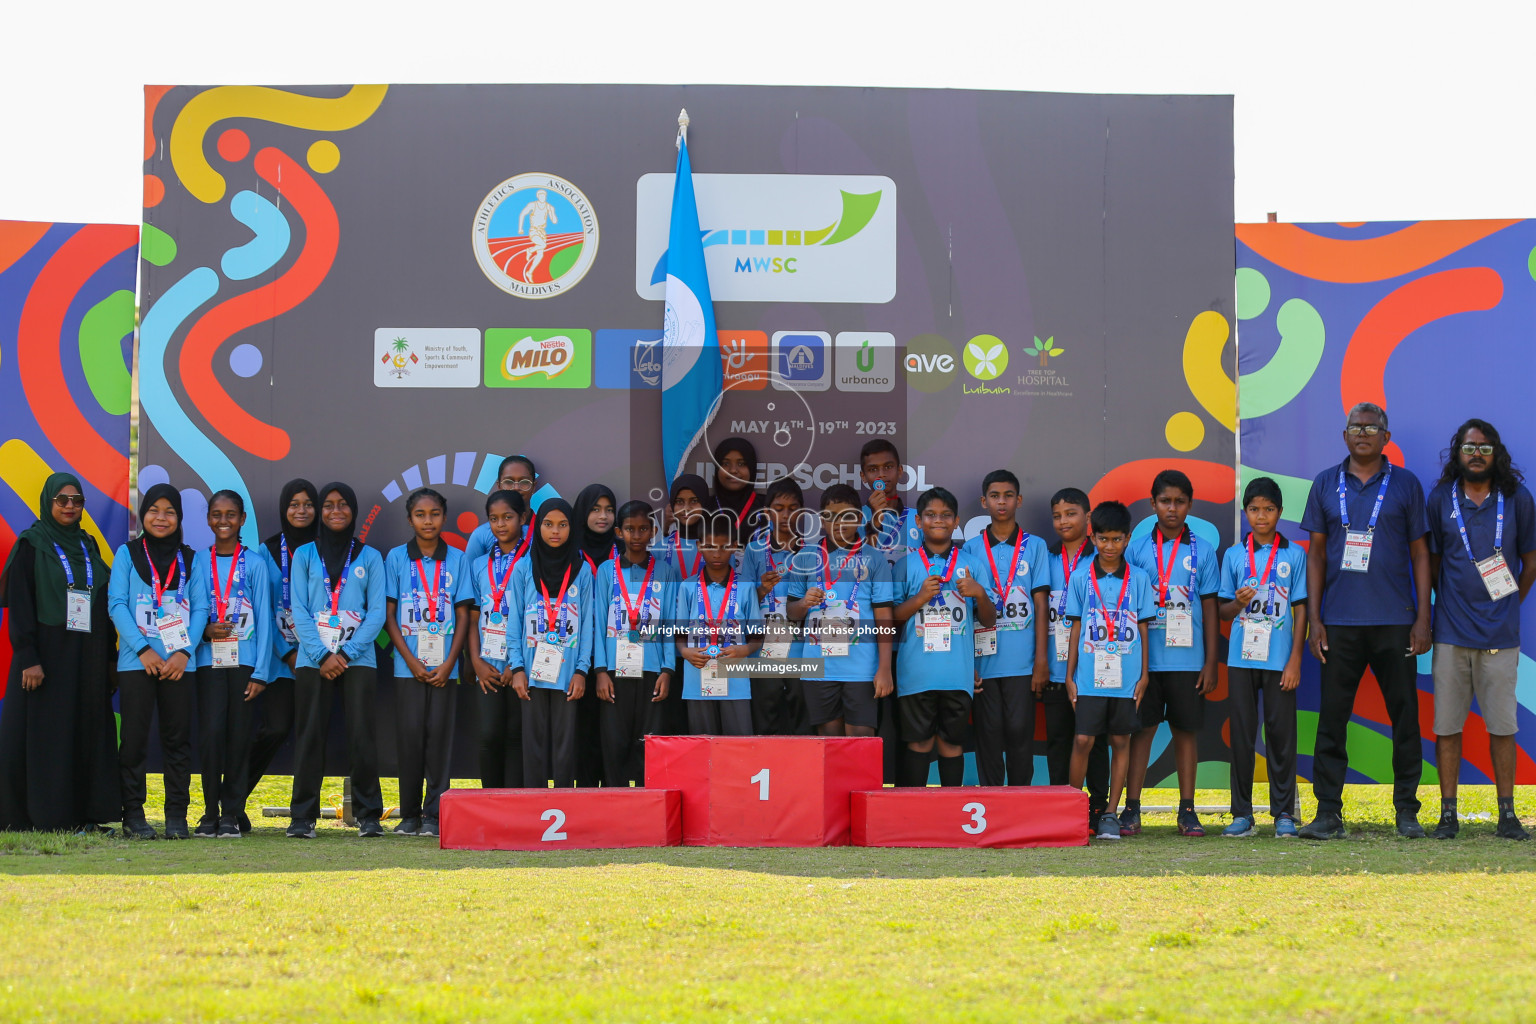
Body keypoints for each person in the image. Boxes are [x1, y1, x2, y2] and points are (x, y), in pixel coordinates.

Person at [1299, 402, 1431, 840]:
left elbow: (1420, 554)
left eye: (1372, 428)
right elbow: (1315, 556)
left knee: (1405, 717)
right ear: (1345, 435)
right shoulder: (1324, 484)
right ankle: (1327, 814)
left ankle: (1407, 812)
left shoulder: (1407, 485)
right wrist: (1316, 620)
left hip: (1396, 621)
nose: (1363, 433)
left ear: (1385, 437)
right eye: (1355, 426)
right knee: (1332, 719)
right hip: (1338, 623)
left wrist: (1423, 617)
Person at [1425, 419, 1536, 840]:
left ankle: (1507, 814)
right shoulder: (1441, 499)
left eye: (1485, 448)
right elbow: (1432, 565)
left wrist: (1511, 603)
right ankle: (1448, 813)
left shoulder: (1516, 498)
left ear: (1496, 454)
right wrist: (1449, 604)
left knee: (1502, 727)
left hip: (1500, 637)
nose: (1477, 454)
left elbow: (1531, 559)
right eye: (1470, 447)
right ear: (1458, 453)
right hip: (1451, 634)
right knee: (1447, 726)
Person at [0, 473, 118, 834]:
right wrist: (29, 658)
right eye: (61, 500)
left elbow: (102, 603)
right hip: (46, 660)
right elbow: (19, 607)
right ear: (48, 501)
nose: (69, 506)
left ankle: (83, 816)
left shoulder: (88, 545)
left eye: (76, 500)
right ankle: (45, 817)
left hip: (87, 657)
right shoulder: (31, 545)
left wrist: (109, 661)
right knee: (48, 737)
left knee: (82, 734)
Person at [287, 483, 388, 839]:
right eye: (328, 505)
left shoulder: (370, 557)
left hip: (358, 659)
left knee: (362, 735)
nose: (335, 511)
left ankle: (369, 815)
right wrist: (320, 655)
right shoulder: (304, 555)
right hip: (313, 658)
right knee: (310, 734)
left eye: (343, 504)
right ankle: (302, 816)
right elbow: (298, 609)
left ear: (354, 510)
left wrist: (344, 654)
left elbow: (376, 613)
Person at [1123, 469, 1220, 837]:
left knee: (1186, 733)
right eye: (1165, 501)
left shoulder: (1204, 551)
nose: (1172, 509)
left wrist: (1210, 660)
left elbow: (1210, 606)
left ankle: (1187, 809)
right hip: (1146, 660)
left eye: (1180, 502)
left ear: (1190, 505)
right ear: (1153, 504)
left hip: (1188, 660)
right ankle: (1132, 808)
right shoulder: (1137, 548)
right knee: (1142, 732)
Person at [110, 483, 207, 840]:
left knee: (177, 741)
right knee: (133, 740)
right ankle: (133, 815)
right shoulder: (127, 554)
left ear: (179, 518)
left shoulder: (190, 558)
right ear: (143, 514)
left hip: (181, 664)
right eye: (154, 510)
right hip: (138, 663)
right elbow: (116, 604)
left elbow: (200, 609)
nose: (161, 518)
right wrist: (142, 649)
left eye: (169, 512)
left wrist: (183, 653)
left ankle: (176, 816)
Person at [1217, 477, 1306, 838]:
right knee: (1241, 736)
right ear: (1245, 512)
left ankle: (1283, 813)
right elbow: (1223, 612)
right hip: (1241, 659)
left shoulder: (1294, 555)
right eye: (1254, 509)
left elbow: (1302, 609)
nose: (1261, 516)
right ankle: (1242, 814)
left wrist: (1296, 659)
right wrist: (1238, 603)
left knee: (1281, 736)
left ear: (1280, 512)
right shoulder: (1235, 555)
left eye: (1269, 509)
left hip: (1280, 661)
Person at [1064, 501, 1155, 840]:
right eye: (1103, 539)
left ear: (1128, 539)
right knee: (1084, 739)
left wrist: (1144, 675)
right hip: (1088, 675)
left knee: (1120, 740)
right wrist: (1069, 676)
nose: (1110, 546)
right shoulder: (1080, 577)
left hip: (1126, 677)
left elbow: (1144, 629)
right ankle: (1072, 809)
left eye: (1117, 540)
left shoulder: (1140, 579)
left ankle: (1110, 814)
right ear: (1093, 538)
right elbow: (1074, 628)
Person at [892, 487, 995, 787]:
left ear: (956, 521)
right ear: (919, 523)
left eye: (946, 515)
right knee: (919, 743)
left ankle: (951, 816)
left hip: (957, 674)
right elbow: (892, 618)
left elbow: (988, 619)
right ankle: (914, 816)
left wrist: (980, 593)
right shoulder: (905, 565)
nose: (938, 520)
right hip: (916, 674)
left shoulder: (972, 564)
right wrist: (920, 598)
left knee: (952, 744)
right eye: (931, 515)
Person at [383, 488, 470, 837]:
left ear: (444, 518)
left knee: (439, 739)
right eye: (420, 515)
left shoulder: (459, 559)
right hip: (409, 667)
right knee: (409, 739)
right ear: (409, 519)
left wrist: (451, 662)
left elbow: (464, 615)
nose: (428, 520)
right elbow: (389, 616)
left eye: (434, 514)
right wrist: (410, 661)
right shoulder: (396, 558)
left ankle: (434, 815)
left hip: (446, 668)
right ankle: (409, 815)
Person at [189, 490, 273, 838]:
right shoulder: (196, 562)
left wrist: (262, 672)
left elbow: (266, 621)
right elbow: (191, 610)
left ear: (242, 520)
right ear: (208, 519)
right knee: (211, 736)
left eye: (231, 514)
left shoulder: (254, 563)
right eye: (216, 514)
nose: (223, 521)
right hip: (208, 662)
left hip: (245, 662)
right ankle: (209, 812)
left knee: (239, 738)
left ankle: (232, 813)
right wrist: (203, 632)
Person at [963, 470, 1051, 786]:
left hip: (1022, 661)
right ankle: (992, 801)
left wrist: (1041, 660)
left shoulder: (1036, 546)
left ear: (1019, 500)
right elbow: (963, 610)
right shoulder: (970, 549)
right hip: (983, 662)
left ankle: (1020, 802)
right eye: (995, 496)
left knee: (1019, 733)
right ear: (984, 501)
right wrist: (966, 664)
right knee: (987, 734)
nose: (1002, 502)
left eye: (1009, 495)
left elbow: (1042, 605)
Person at [789, 484, 893, 739]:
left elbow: (884, 618)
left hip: (862, 669)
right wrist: (803, 603)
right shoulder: (805, 558)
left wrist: (885, 668)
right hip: (818, 668)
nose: (838, 523)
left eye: (846, 516)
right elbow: (791, 614)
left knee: (860, 742)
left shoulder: (875, 559)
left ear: (859, 518)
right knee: (830, 743)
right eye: (830, 516)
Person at [507, 498, 595, 787]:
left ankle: (563, 808)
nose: (555, 531)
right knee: (532, 747)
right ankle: (534, 810)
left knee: (565, 747)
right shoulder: (522, 568)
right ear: (538, 526)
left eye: (562, 524)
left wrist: (582, 671)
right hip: (530, 675)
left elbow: (587, 626)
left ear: (572, 527)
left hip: (568, 676)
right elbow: (514, 621)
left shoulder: (582, 571)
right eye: (547, 524)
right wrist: (517, 667)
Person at [247, 478, 319, 830]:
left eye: (307, 504)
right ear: (283, 509)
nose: (301, 510)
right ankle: (232, 801)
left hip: (321, 659)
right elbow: (260, 609)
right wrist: (287, 652)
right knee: (275, 728)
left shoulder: (328, 549)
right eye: (294, 504)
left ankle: (303, 815)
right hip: (281, 661)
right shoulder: (265, 551)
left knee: (313, 733)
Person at [593, 500, 678, 785]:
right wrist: (601, 670)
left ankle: (646, 808)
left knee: (648, 744)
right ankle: (614, 808)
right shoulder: (606, 571)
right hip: (615, 673)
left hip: (652, 672)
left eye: (643, 529)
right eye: (630, 529)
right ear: (619, 532)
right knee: (614, 744)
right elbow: (597, 622)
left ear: (653, 531)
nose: (637, 535)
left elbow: (668, 623)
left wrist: (667, 670)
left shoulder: (665, 571)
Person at [459, 490, 532, 787]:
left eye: (508, 517)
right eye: (494, 519)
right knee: (489, 734)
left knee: (516, 736)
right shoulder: (478, 565)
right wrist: (475, 661)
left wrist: (515, 665)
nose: (501, 525)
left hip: (520, 665)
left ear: (523, 518)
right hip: (487, 664)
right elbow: (473, 618)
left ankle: (514, 804)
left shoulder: (532, 561)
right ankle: (490, 801)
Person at [1045, 488, 1109, 822]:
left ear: (1088, 517)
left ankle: (1098, 806)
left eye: (1071, 513)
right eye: (1057, 515)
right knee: (1057, 741)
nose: (1063, 521)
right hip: (1056, 670)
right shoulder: (1047, 557)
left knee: (1094, 741)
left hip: (1093, 670)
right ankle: (1061, 805)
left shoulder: (1100, 559)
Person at [672, 515, 762, 736]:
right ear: (699, 545)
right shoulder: (688, 587)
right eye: (710, 546)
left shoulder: (745, 587)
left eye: (724, 547)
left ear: (734, 546)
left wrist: (745, 650)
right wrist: (685, 652)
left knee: (738, 747)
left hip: (736, 682)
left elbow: (757, 636)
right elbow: (679, 634)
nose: (717, 553)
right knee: (702, 748)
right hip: (697, 679)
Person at [743, 478, 810, 734]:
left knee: (800, 713)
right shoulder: (754, 550)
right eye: (778, 508)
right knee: (765, 712)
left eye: (793, 508)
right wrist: (762, 590)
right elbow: (743, 603)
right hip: (763, 647)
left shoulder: (813, 551)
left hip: (801, 647)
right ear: (767, 512)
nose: (785, 515)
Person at [571, 483, 618, 785]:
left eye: (609, 510)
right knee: (583, 729)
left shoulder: (625, 550)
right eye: (595, 509)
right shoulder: (569, 552)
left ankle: (613, 795)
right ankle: (585, 793)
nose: (603, 516)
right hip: (576, 653)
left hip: (616, 654)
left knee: (612, 731)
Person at [463, 456, 538, 566]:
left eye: (524, 482)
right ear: (499, 485)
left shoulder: (543, 530)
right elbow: (470, 575)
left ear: (533, 486)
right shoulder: (482, 534)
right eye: (509, 482)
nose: (516, 487)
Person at [656, 474, 709, 581]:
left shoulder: (720, 548)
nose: (686, 508)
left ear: (704, 502)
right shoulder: (659, 549)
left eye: (694, 501)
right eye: (679, 502)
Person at [711, 437, 761, 532]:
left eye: (741, 464)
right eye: (725, 463)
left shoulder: (766, 508)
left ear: (752, 468)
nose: (733, 470)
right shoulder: (703, 507)